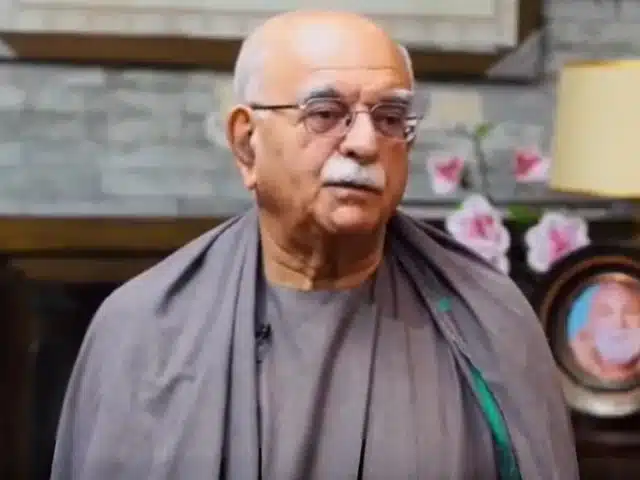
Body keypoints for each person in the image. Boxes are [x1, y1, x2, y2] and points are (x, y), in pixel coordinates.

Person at [51, 10, 578, 480]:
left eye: (390, 118)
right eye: (325, 113)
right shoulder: (144, 327)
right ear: (246, 143)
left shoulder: (486, 320)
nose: (365, 143)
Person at [570, 280, 640, 383]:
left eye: (630, 311)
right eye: (606, 313)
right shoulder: (569, 365)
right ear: (591, 325)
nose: (619, 324)